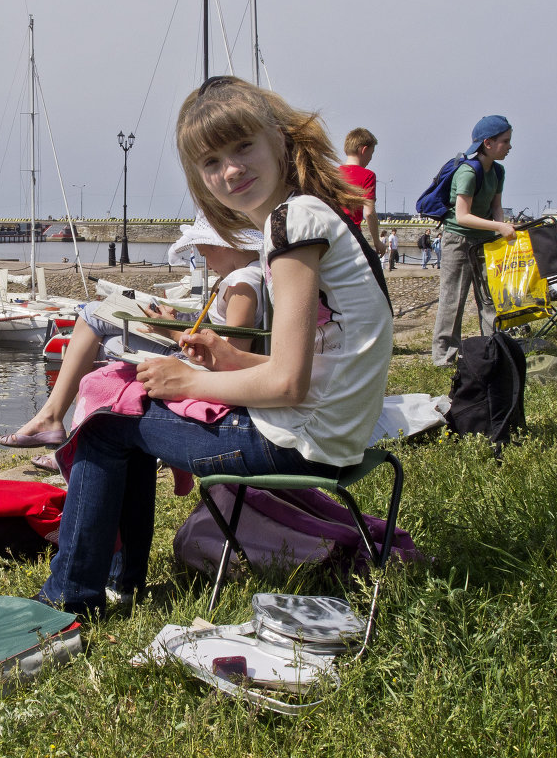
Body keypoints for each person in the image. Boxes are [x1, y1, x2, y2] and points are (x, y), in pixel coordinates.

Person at [35, 76, 393, 614]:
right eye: (211, 162)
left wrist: (193, 380)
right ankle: (111, 584)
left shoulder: (291, 224)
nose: (230, 169)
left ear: (278, 138)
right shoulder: (307, 215)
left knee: (106, 422)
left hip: (302, 441)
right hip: (335, 432)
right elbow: (314, 362)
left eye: (243, 146)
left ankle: (72, 598)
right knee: (122, 410)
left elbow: (289, 384)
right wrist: (229, 358)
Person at [0, 214, 265, 449]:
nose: (205, 260)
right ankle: (64, 429)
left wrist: (169, 330)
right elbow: (221, 337)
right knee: (105, 334)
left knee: (92, 318)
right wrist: (177, 319)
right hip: (191, 353)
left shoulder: (241, 284)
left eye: (205, 253)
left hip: (192, 364)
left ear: (224, 244)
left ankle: (58, 423)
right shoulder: (249, 275)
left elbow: (230, 356)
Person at [431, 115, 516, 366]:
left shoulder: (498, 171)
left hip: (485, 241)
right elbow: (462, 216)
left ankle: (494, 347)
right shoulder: (468, 172)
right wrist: (499, 226)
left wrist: (501, 228)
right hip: (459, 240)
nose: (510, 147)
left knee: (489, 297)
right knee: (453, 298)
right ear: (488, 143)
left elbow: (496, 207)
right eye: (506, 141)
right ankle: (444, 355)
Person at [338, 127, 385, 256]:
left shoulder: (332, 174)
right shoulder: (368, 175)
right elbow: (369, 213)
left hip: (333, 235)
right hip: (352, 235)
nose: (370, 158)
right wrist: (377, 241)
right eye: (371, 153)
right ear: (364, 150)